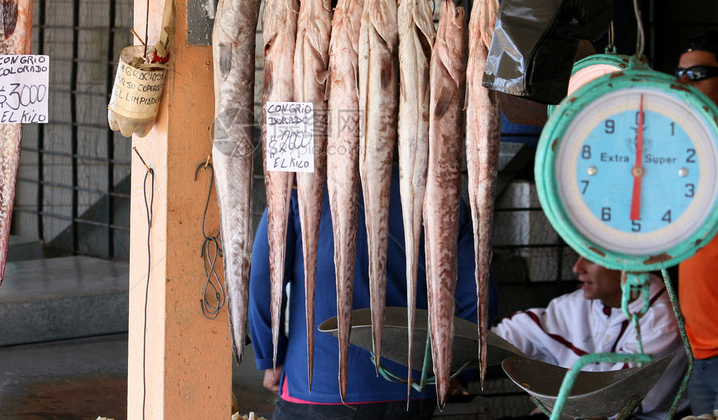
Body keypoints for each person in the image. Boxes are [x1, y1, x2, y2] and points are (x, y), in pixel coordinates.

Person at [248, 166, 499, 419]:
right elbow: (479, 294)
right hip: (411, 390)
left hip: (318, 386)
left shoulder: (298, 188)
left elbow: (264, 280)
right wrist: (455, 367)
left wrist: (270, 359)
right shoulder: (443, 195)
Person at [491, 256, 688, 420]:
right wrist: (474, 348)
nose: (577, 268)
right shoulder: (581, 303)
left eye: (591, 258)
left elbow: (613, 402)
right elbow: (518, 332)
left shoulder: (662, 321)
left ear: (628, 261)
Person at [676, 30, 718, 416]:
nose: (684, 83)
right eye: (680, 75)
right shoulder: (686, 149)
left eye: (698, 73)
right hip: (702, 353)